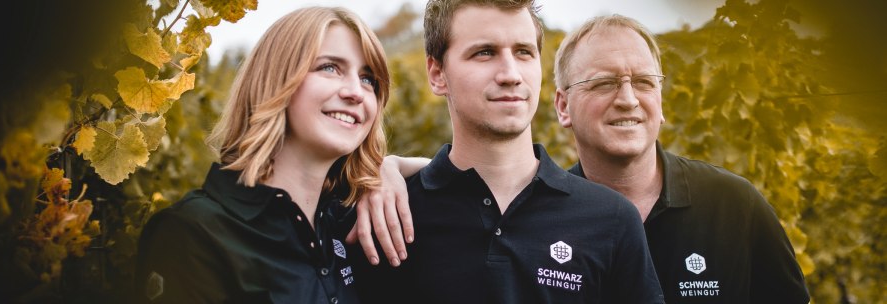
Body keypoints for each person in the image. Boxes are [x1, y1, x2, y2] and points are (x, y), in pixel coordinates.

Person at [352, 1, 663, 303]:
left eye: (523, 52)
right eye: (485, 52)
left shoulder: (612, 219)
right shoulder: (387, 214)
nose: (511, 74)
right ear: (437, 74)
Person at [135, 7, 390, 303]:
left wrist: (392, 168)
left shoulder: (351, 224)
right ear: (276, 79)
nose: (356, 92)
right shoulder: (194, 234)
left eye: (368, 79)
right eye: (330, 68)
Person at [551, 14, 810, 303]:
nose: (628, 99)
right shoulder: (543, 220)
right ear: (563, 107)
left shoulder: (735, 206)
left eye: (643, 82)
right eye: (604, 83)